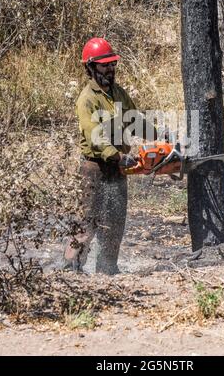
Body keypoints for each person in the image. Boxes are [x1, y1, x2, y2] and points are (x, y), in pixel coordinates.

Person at [63, 37, 156, 274]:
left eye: (112, 63)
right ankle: (70, 270)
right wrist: (116, 155)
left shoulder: (118, 93)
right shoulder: (87, 99)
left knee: (114, 223)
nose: (110, 68)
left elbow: (135, 121)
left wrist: (159, 137)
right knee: (87, 222)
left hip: (118, 168)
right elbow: (94, 134)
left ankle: (107, 269)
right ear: (91, 67)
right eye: (104, 65)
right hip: (94, 168)